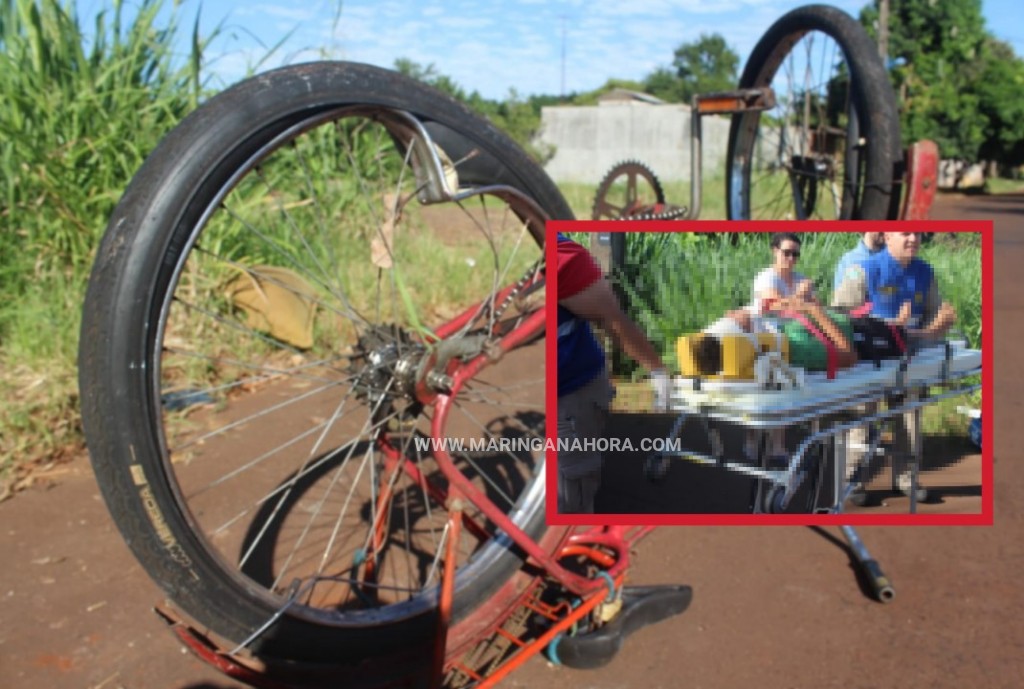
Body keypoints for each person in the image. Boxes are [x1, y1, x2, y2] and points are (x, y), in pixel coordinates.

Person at [832, 231, 958, 501]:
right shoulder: (863, 270)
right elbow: (840, 316)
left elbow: (933, 316)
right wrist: (887, 328)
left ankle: (906, 479)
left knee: (910, 418)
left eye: (916, 234)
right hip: (869, 360)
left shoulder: (926, 273)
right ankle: (852, 481)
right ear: (887, 237)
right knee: (861, 420)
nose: (912, 239)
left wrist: (940, 324)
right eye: (905, 234)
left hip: (908, 359)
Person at [557, 234, 669, 513]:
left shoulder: (562, 254)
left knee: (570, 496)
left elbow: (612, 318)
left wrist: (658, 372)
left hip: (573, 390)